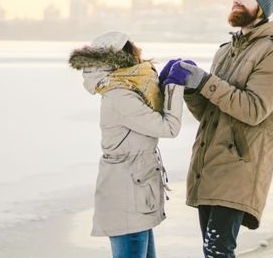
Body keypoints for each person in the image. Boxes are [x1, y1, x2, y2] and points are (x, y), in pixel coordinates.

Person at [162, 0, 273, 257]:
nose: (236, 0)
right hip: (209, 165)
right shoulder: (225, 51)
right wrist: (191, 88)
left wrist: (204, 82)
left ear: (262, 6)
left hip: (239, 167)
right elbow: (211, 115)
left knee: (218, 250)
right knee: (212, 251)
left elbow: (253, 109)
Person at [69, 31, 190, 258]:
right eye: (135, 49)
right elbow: (169, 128)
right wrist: (174, 86)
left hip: (134, 190)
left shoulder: (128, 87)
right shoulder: (120, 95)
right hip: (128, 196)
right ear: (124, 56)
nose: (140, 54)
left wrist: (164, 83)